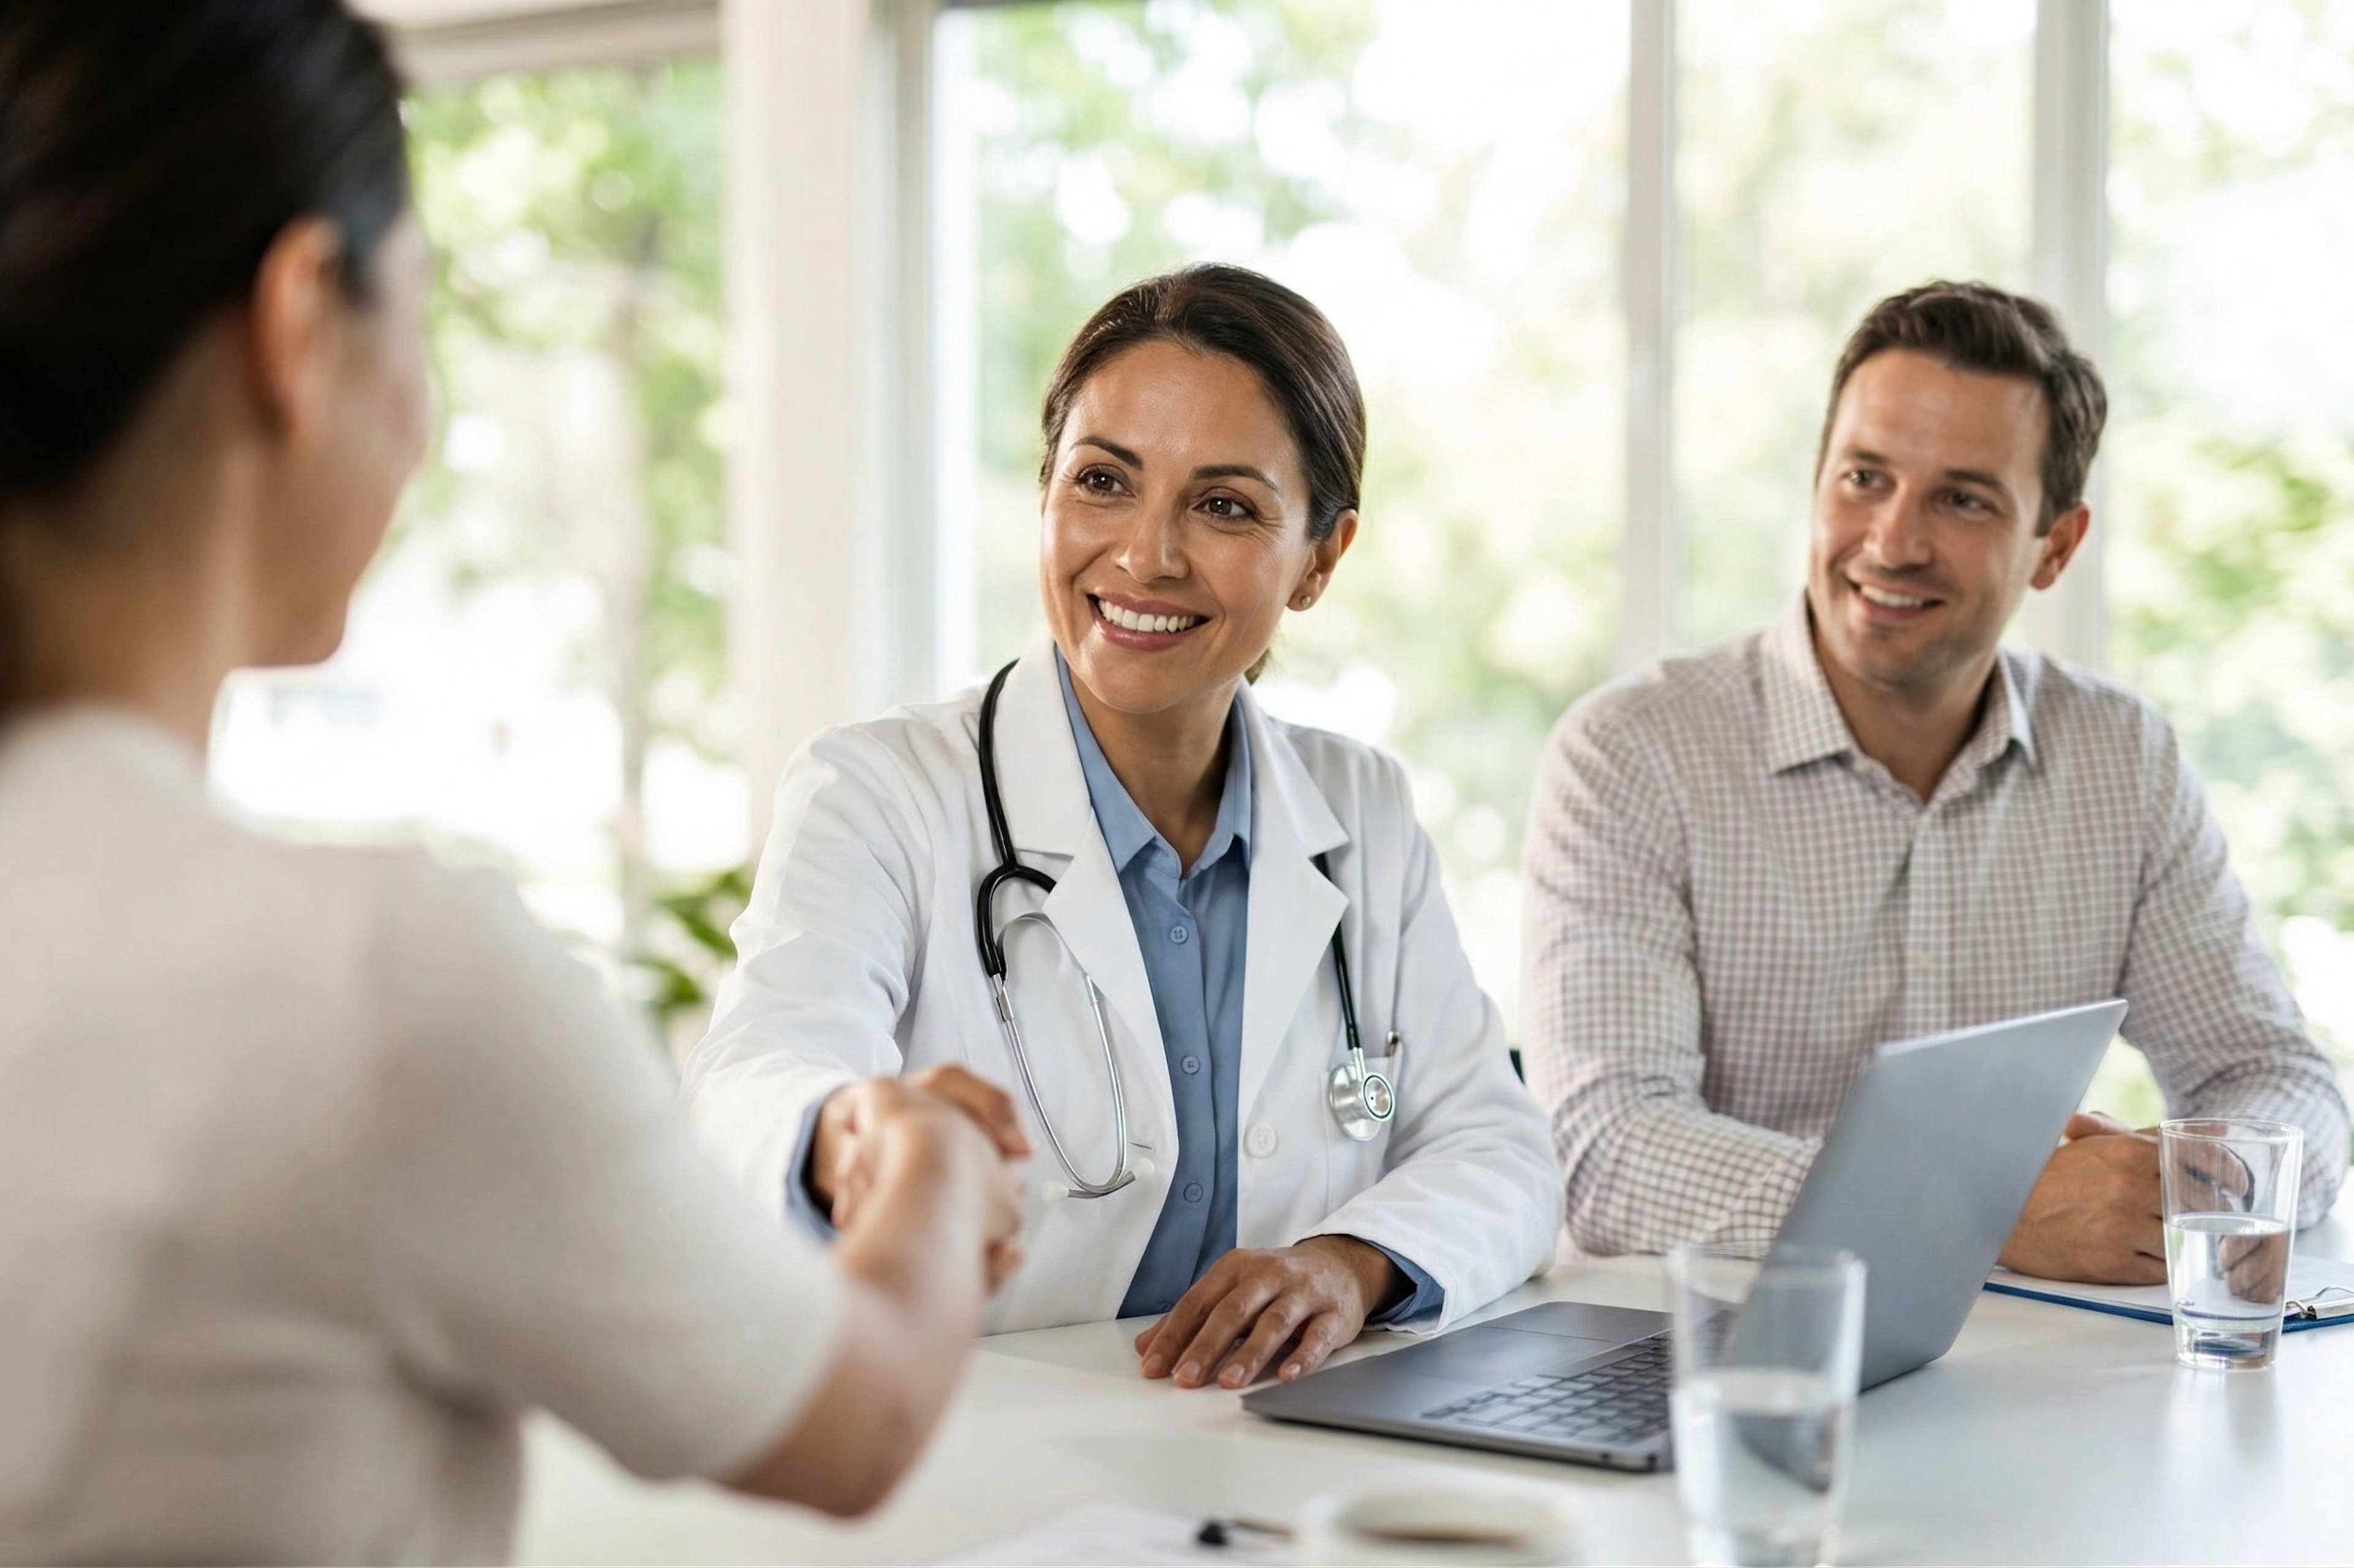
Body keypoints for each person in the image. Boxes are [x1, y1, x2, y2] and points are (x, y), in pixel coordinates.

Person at [0, 2, 1022, 1561]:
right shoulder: (366, 976)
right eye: (422, 310)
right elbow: (856, 1414)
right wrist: (941, 1164)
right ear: (296, 323)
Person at [684, 265, 1561, 1389]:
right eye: (1104, 480)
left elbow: (1498, 1146)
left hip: (1267, 1466)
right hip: (973, 1450)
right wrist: (849, 1135)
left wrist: (1349, 1266)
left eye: (1226, 505)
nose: (1147, 554)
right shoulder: (880, 793)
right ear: (1045, 490)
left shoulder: (1362, 811)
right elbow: (759, 1070)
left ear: (1322, 559)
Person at [1520, 280, 2348, 1285]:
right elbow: (1611, 1151)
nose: (1893, 541)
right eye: (1864, 477)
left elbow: (2274, 1077)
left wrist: (2188, 1187)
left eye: (1963, 498)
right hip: (1711, 1359)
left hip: (2028, 1366)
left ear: (2057, 546)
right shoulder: (1631, 753)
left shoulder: (2124, 760)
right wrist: (1979, 1206)